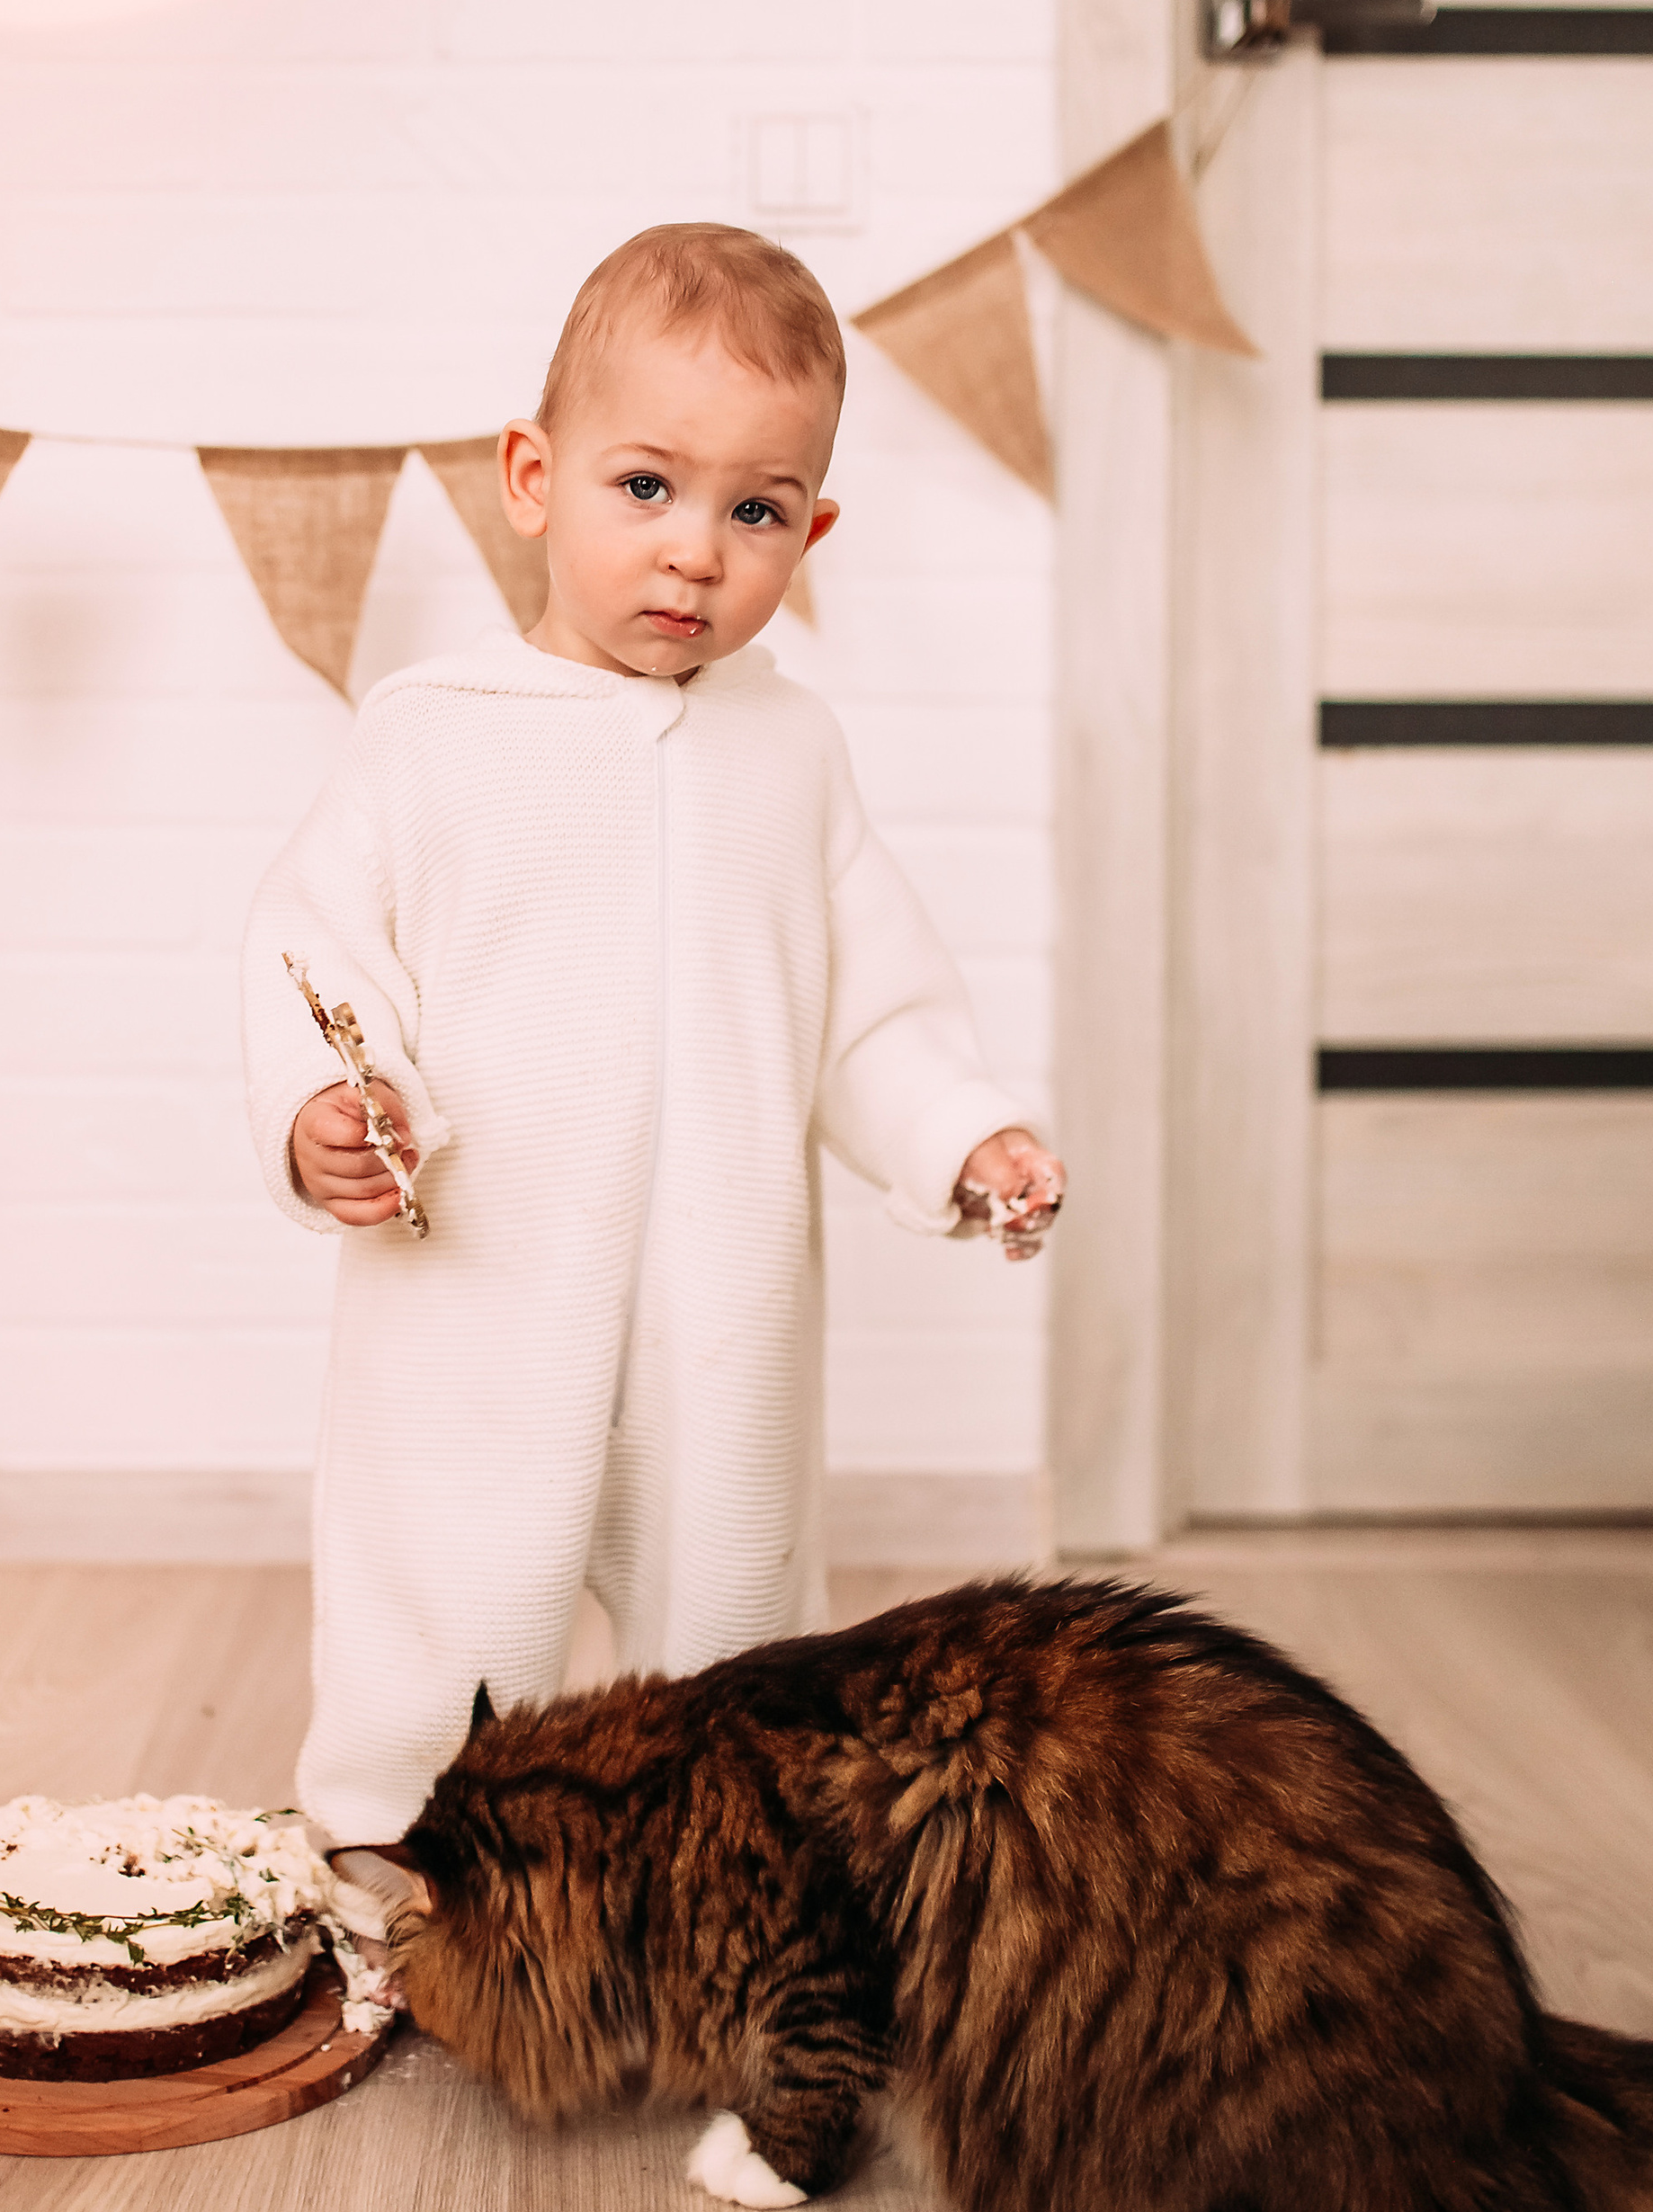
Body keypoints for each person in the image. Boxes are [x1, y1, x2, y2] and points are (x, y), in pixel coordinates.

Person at [244, 224, 1064, 1847]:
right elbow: (316, 950)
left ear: (811, 532)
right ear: (533, 478)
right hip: (481, 1286)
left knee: (733, 1615)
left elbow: (868, 1005)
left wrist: (960, 1130)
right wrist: (334, 1104)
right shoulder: (432, 737)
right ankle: (393, 1864)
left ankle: (719, 1876)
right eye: (646, 488)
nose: (696, 553)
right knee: (446, 1598)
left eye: (756, 512)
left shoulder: (792, 754)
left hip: (721, 1293)